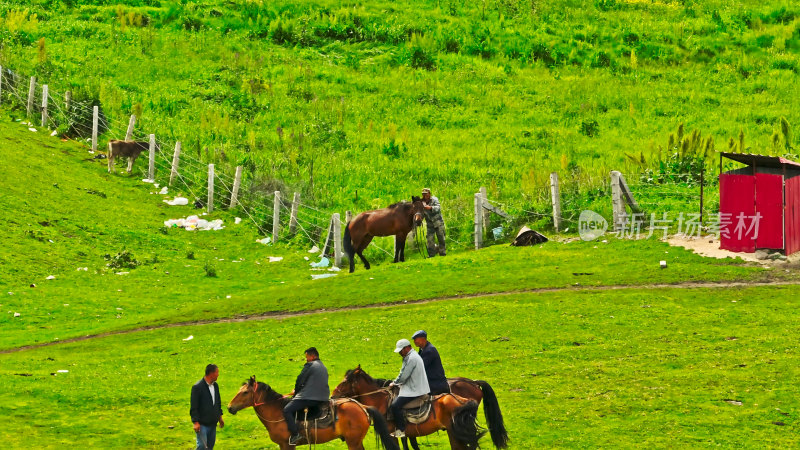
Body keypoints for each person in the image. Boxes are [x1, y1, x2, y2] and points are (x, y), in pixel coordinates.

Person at [283, 347, 330, 445]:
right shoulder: (323, 367)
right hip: (323, 397)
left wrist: (296, 393)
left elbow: (300, 380)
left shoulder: (310, 365)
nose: (306, 359)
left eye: (307, 357)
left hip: (308, 397)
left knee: (287, 410)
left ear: (312, 356)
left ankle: (295, 435)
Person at [389, 338, 430, 438]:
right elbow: (402, 373)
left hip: (415, 390)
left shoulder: (412, 358)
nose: (400, 353)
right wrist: (396, 382)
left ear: (407, 348)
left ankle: (401, 430)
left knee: (395, 406)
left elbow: (404, 375)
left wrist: (394, 383)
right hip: (412, 386)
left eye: (401, 351)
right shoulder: (409, 357)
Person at [190, 364, 224, 450]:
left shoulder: (215, 386)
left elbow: (218, 403)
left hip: (213, 423)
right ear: (211, 373)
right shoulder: (197, 387)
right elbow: (194, 406)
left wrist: (220, 417)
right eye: (217, 372)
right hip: (202, 424)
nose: (218, 374)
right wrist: (196, 422)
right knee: (202, 447)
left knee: (209, 447)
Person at [412, 330, 450, 395]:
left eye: (416, 339)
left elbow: (420, 368)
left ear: (423, 339)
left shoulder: (429, 350)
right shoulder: (422, 349)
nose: (414, 341)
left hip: (435, 385)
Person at [421, 188, 446, 257]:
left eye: (426, 194)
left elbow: (438, 208)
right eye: (423, 194)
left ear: (429, 194)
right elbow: (421, 213)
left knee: (441, 238)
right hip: (429, 224)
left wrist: (430, 208)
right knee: (430, 240)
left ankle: (442, 253)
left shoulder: (434, 199)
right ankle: (431, 254)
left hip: (438, 222)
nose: (424, 196)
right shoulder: (422, 202)